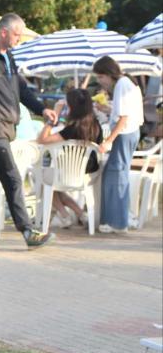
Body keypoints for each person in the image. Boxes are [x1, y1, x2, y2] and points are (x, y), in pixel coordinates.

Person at [0, 13, 57, 247]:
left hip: (6, 128)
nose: (19, 39)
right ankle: (28, 232)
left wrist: (42, 109)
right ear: (3, 32)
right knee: (13, 178)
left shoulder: (9, 58)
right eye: (16, 34)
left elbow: (21, 90)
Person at [92, 56, 144, 233]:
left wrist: (108, 141)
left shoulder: (122, 84)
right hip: (130, 133)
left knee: (116, 176)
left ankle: (117, 222)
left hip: (124, 134)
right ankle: (118, 219)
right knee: (116, 175)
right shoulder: (128, 82)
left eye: (101, 77)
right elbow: (124, 113)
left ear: (108, 73)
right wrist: (107, 109)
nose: (100, 81)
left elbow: (123, 119)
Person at [37, 88, 103, 227]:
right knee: (54, 187)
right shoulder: (96, 126)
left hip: (69, 173)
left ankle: (64, 215)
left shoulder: (72, 129)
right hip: (90, 175)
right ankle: (81, 214)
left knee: (43, 181)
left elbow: (42, 139)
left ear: (72, 107)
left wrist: (54, 116)